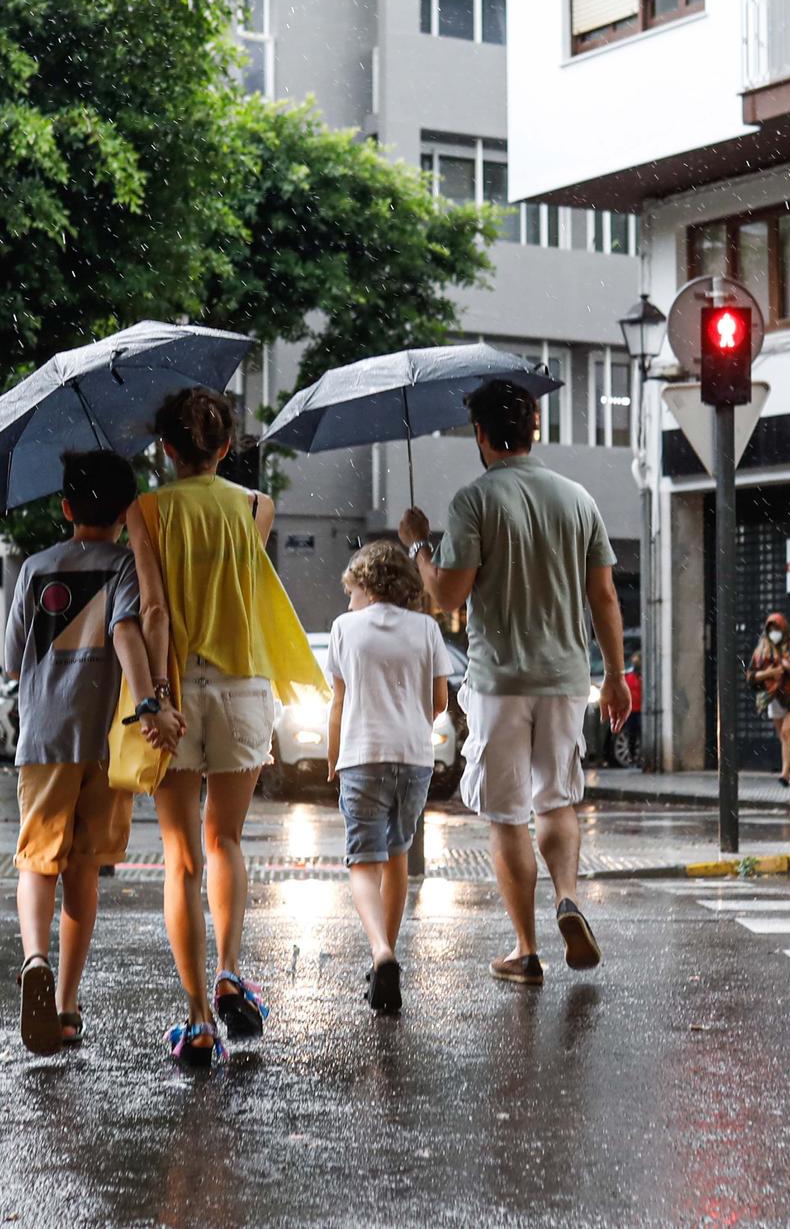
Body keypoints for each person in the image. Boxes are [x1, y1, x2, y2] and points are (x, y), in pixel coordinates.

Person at [400, 378, 629, 987]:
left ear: (479, 434)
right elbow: (603, 594)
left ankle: (526, 950)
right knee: (557, 798)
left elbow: (446, 595)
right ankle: (569, 897)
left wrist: (421, 545)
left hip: (499, 680)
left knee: (506, 815)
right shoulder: (577, 498)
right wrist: (613, 677)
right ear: (534, 428)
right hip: (564, 677)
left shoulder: (473, 501)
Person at [126, 387, 322, 1066]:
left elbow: (154, 608)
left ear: (166, 448)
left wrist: (155, 695)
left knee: (180, 858)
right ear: (226, 445)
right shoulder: (256, 506)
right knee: (227, 838)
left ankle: (198, 1019)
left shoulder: (146, 509)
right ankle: (232, 968)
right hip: (243, 686)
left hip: (178, 687)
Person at [5, 451, 176, 1057]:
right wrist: (152, 702)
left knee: (37, 857)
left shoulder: (35, 569)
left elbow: (11, 659)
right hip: (108, 740)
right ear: (123, 507)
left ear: (66, 507)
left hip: (44, 737)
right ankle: (68, 1005)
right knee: (83, 868)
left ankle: (33, 958)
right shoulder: (126, 565)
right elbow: (128, 631)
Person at [325, 541, 451, 1015]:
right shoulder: (427, 628)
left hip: (363, 754)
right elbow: (440, 702)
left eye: (351, 590)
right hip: (414, 757)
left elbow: (338, 703)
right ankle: (388, 955)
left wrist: (333, 756)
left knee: (362, 860)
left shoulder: (344, 629)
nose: (348, 600)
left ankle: (380, 951)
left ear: (368, 583)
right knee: (397, 853)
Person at [749, 612, 790, 788]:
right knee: (784, 736)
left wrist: (788, 666)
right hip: (775, 696)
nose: (774, 633)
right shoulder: (762, 648)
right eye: (771, 630)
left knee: (786, 731)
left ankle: (785, 774)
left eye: (777, 629)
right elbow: (751, 676)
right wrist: (770, 673)